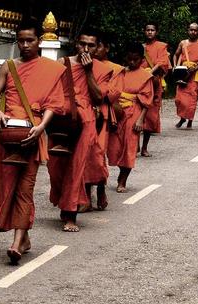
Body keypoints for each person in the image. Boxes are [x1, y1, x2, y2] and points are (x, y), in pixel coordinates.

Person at [0, 17, 66, 264]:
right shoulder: (9, 66)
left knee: (25, 188)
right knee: (9, 186)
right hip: (9, 135)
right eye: (21, 41)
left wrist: (41, 127)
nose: (25, 45)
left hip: (33, 133)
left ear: (39, 41)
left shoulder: (50, 69)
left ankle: (17, 241)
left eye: (30, 40)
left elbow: (53, 103)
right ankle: (25, 235)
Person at [47, 27, 112, 231]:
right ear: (76, 43)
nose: (86, 48)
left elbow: (98, 97)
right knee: (55, 166)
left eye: (91, 45)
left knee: (76, 168)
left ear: (97, 47)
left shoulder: (101, 69)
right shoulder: (61, 63)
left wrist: (89, 70)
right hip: (60, 118)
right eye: (82, 44)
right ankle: (63, 200)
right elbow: (50, 89)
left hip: (85, 122)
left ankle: (70, 215)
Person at [81, 34, 123, 212]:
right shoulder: (76, 65)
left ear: (104, 48)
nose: (89, 50)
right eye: (84, 45)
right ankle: (85, 197)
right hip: (81, 115)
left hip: (101, 116)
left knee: (97, 157)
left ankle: (100, 188)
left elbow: (113, 93)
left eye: (95, 46)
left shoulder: (114, 69)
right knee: (83, 157)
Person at [108, 42, 154, 193]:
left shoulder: (146, 76)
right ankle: (119, 170)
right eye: (130, 59)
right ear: (126, 58)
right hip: (116, 111)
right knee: (115, 146)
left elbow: (147, 101)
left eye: (136, 60)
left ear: (141, 60)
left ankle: (122, 180)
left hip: (134, 112)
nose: (132, 62)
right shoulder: (118, 72)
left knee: (130, 146)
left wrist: (141, 119)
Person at [140, 23, 170, 157]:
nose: (150, 32)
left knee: (150, 116)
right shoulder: (141, 47)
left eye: (152, 30)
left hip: (154, 83)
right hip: (140, 83)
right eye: (148, 30)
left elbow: (162, 63)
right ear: (144, 32)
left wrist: (150, 73)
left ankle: (144, 147)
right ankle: (135, 145)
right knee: (135, 113)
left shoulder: (161, 46)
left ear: (156, 32)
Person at [173, 23, 198, 129]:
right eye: (191, 30)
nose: (193, 32)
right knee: (179, 99)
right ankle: (182, 117)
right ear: (188, 30)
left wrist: (195, 68)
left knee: (192, 99)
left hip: (195, 75)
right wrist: (175, 66)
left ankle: (189, 121)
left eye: (195, 30)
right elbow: (176, 55)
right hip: (183, 73)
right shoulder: (183, 43)